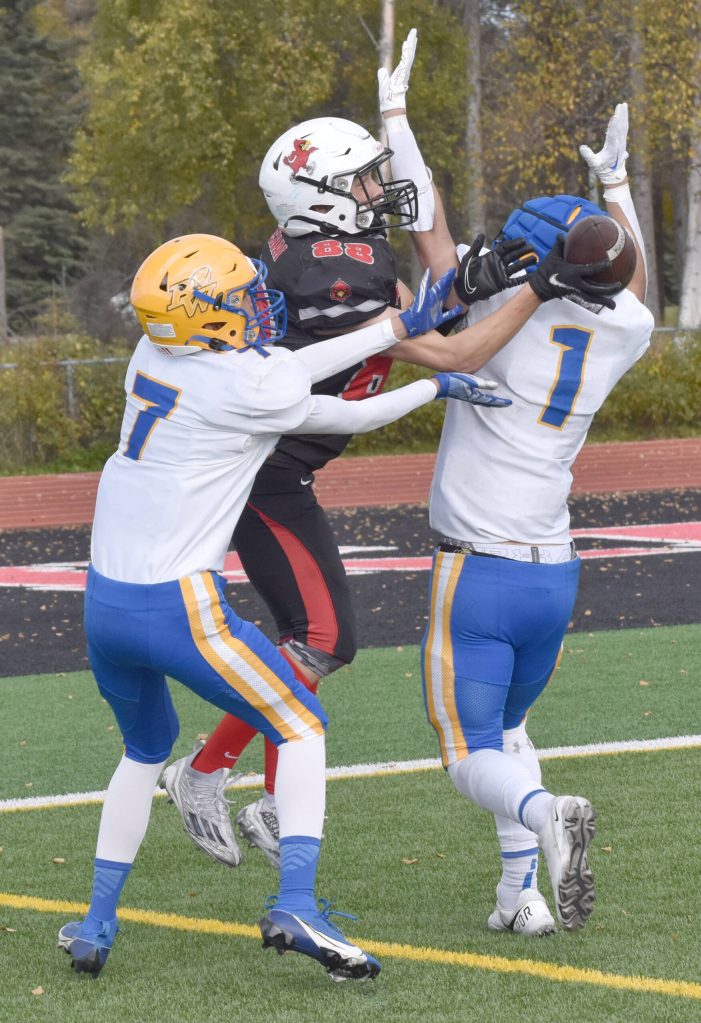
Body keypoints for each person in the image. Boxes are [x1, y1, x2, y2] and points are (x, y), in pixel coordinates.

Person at [56, 230, 599, 979]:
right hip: (178, 606)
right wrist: (432, 383)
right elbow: (342, 414)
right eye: (240, 293)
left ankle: (95, 921)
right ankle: (297, 903)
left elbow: (289, 366)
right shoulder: (245, 386)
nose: (256, 298)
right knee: (301, 725)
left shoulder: (153, 357)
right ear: (208, 316)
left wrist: (398, 328)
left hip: (105, 604)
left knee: (142, 751)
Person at [161, 115, 543, 870]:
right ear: (320, 196)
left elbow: (426, 313)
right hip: (261, 473)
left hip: (274, 469)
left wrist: (468, 284)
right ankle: (209, 775)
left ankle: (243, 786)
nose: (378, 189)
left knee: (310, 637)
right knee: (326, 638)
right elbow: (446, 346)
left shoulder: (332, 258)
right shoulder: (331, 272)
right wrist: (533, 289)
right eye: (363, 178)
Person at [380, 30, 654, 936]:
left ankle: (547, 817)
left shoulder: (504, 313)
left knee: (464, 753)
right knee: (506, 734)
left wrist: (394, 121)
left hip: (480, 567)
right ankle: (517, 895)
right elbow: (629, 275)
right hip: (553, 568)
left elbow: (432, 259)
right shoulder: (626, 329)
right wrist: (613, 190)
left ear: (544, 269)